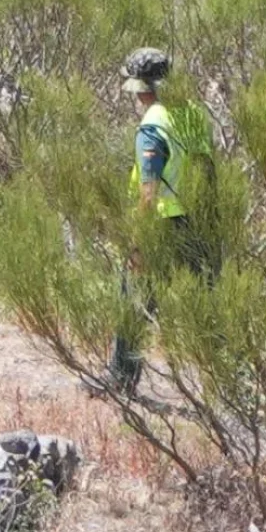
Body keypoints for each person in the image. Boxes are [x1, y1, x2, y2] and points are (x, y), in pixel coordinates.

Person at [112, 49, 207, 391]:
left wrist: (139, 242)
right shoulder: (194, 114)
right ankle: (229, 386)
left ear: (140, 88)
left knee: (134, 301)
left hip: (162, 224)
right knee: (206, 306)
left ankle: (122, 381)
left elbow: (148, 190)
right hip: (197, 222)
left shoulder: (153, 124)